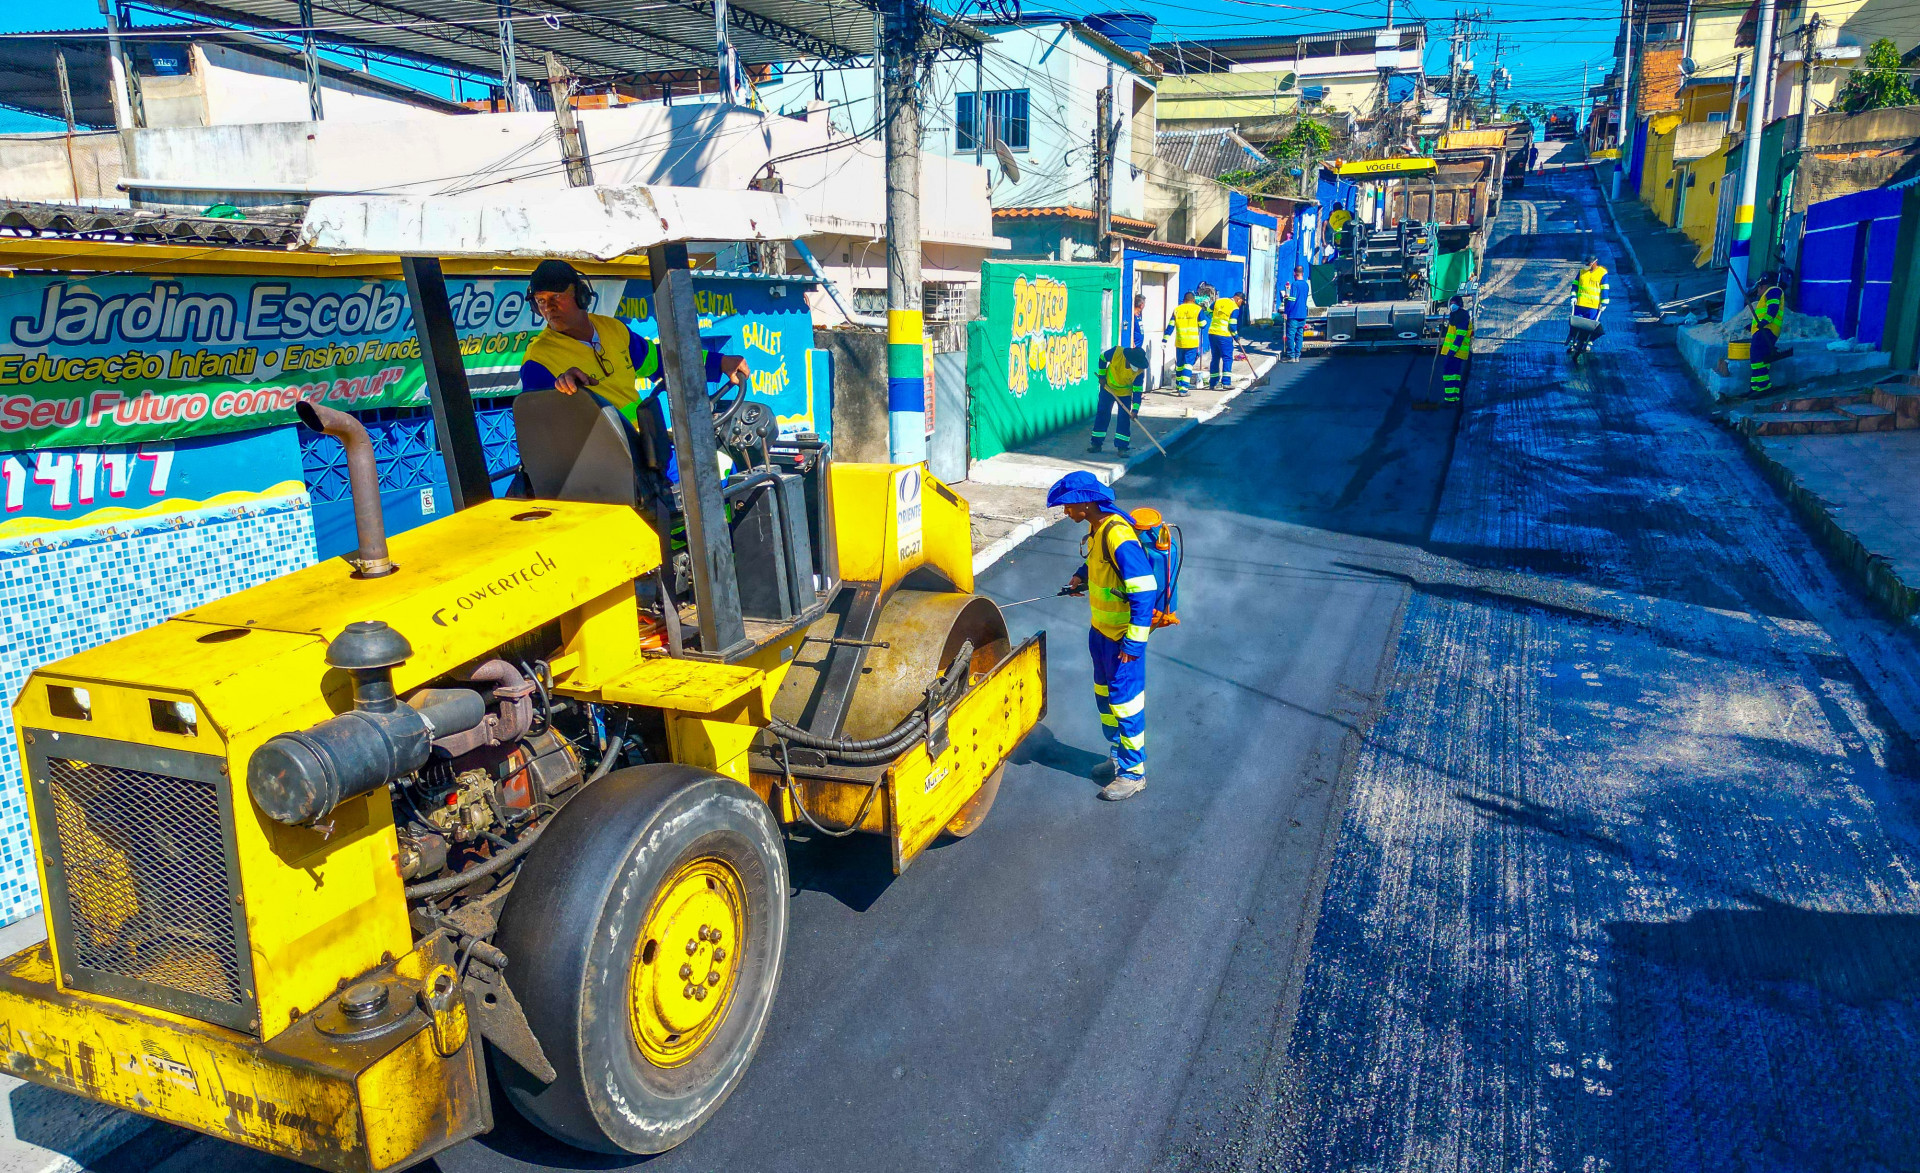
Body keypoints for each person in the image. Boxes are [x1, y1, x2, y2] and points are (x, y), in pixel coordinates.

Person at [521, 259, 748, 481]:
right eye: (541, 301)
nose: (548, 308)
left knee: (725, 467)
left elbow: (660, 361)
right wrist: (561, 388)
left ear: (581, 295)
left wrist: (719, 362)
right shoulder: (538, 359)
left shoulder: (612, 329)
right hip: (604, 463)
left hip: (646, 446)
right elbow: (542, 422)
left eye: (556, 297)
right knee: (717, 474)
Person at [1049, 471, 1157, 801]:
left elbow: (1144, 589)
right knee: (1106, 700)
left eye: (1067, 506)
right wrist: (1079, 577)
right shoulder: (1097, 530)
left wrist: (1134, 643)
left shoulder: (1118, 534)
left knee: (1125, 705)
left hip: (1122, 639)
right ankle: (1117, 755)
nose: (1065, 512)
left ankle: (1133, 772)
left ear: (1084, 502)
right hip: (1100, 633)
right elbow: (1100, 566)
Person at [1089, 345, 1148, 455]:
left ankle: (1122, 447)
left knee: (1124, 419)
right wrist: (1102, 377)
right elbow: (1102, 358)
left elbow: (1137, 391)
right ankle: (1096, 444)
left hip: (1124, 394)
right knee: (1102, 415)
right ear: (1128, 359)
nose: (1133, 368)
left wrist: (1135, 410)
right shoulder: (1116, 352)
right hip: (1108, 388)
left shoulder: (1139, 371)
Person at [1749, 272, 1785, 397]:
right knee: (1757, 358)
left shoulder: (1773, 291)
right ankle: (1755, 386)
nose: (1758, 290)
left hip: (1767, 330)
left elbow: (1773, 309)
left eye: (1759, 286)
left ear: (1763, 286)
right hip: (1764, 330)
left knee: (1758, 358)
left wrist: (1764, 322)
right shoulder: (1768, 294)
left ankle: (1763, 387)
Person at [1165, 291, 1203, 395]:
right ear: (1193, 300)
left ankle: (1178, 385)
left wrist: (1165, 339)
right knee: (1188, 365)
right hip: (1192, 342)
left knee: (1180, 365)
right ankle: (1184, 388)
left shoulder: (1177, 309)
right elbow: (1203, 324)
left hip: (1180, 342)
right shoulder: (1197, 309)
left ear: (1184, 300)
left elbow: (1171, 325)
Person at [1567, 255, 1609, 348]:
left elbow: (1605, 289)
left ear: (1594, 262)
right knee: (1576, 325)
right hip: (1580, 304)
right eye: (1586, 263)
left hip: (1593, 306)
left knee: (1591, 325)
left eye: (1589, 263)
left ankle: (1588, 341)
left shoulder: (1602, 273)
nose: (1587, 264)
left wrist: (1604, 303)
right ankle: (1574, 339)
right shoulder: (1582, 272)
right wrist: (1573, 296)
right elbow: (1575, 285)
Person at [1439, 295, 1473, 404]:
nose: (1452, 305)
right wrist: (1443, 329)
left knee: (1449, 374)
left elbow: (1459, 337)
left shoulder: (1462, 317)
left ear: (1460, 304)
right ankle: (1454, 397)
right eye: (1451, 303)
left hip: (1456, 352)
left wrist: (1451, 352)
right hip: (1454, 352)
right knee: (1454, 374)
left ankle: (1450, 399)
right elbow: (1452, 334)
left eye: (1455, 303)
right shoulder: (1455, 316)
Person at [1206, 288, 1240, 389]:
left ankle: (1213, 383)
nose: (1240, 305)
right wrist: (1236, 336)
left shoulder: (1219, 301)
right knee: (1227, 358)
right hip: (1224, 335)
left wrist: (1216, 318)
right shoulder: (1234, 307)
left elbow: (1208, 311)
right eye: (1241, 302)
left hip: (1212, 333)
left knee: (1215, 357)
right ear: (1238, 299)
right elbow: (1232, 325)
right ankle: (1226, 382)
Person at [1280, 264, 1312, 362]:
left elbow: (1293, 299)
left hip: (1294, 314)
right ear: (1302, 273)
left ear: (1294, 273)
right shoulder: (1306, 285)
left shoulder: (1295, 284)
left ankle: (1291, 356)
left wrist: (1286, 311)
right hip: (1303, 314)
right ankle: (1297, 356)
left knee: (1291, 335)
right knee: (1299, 335)